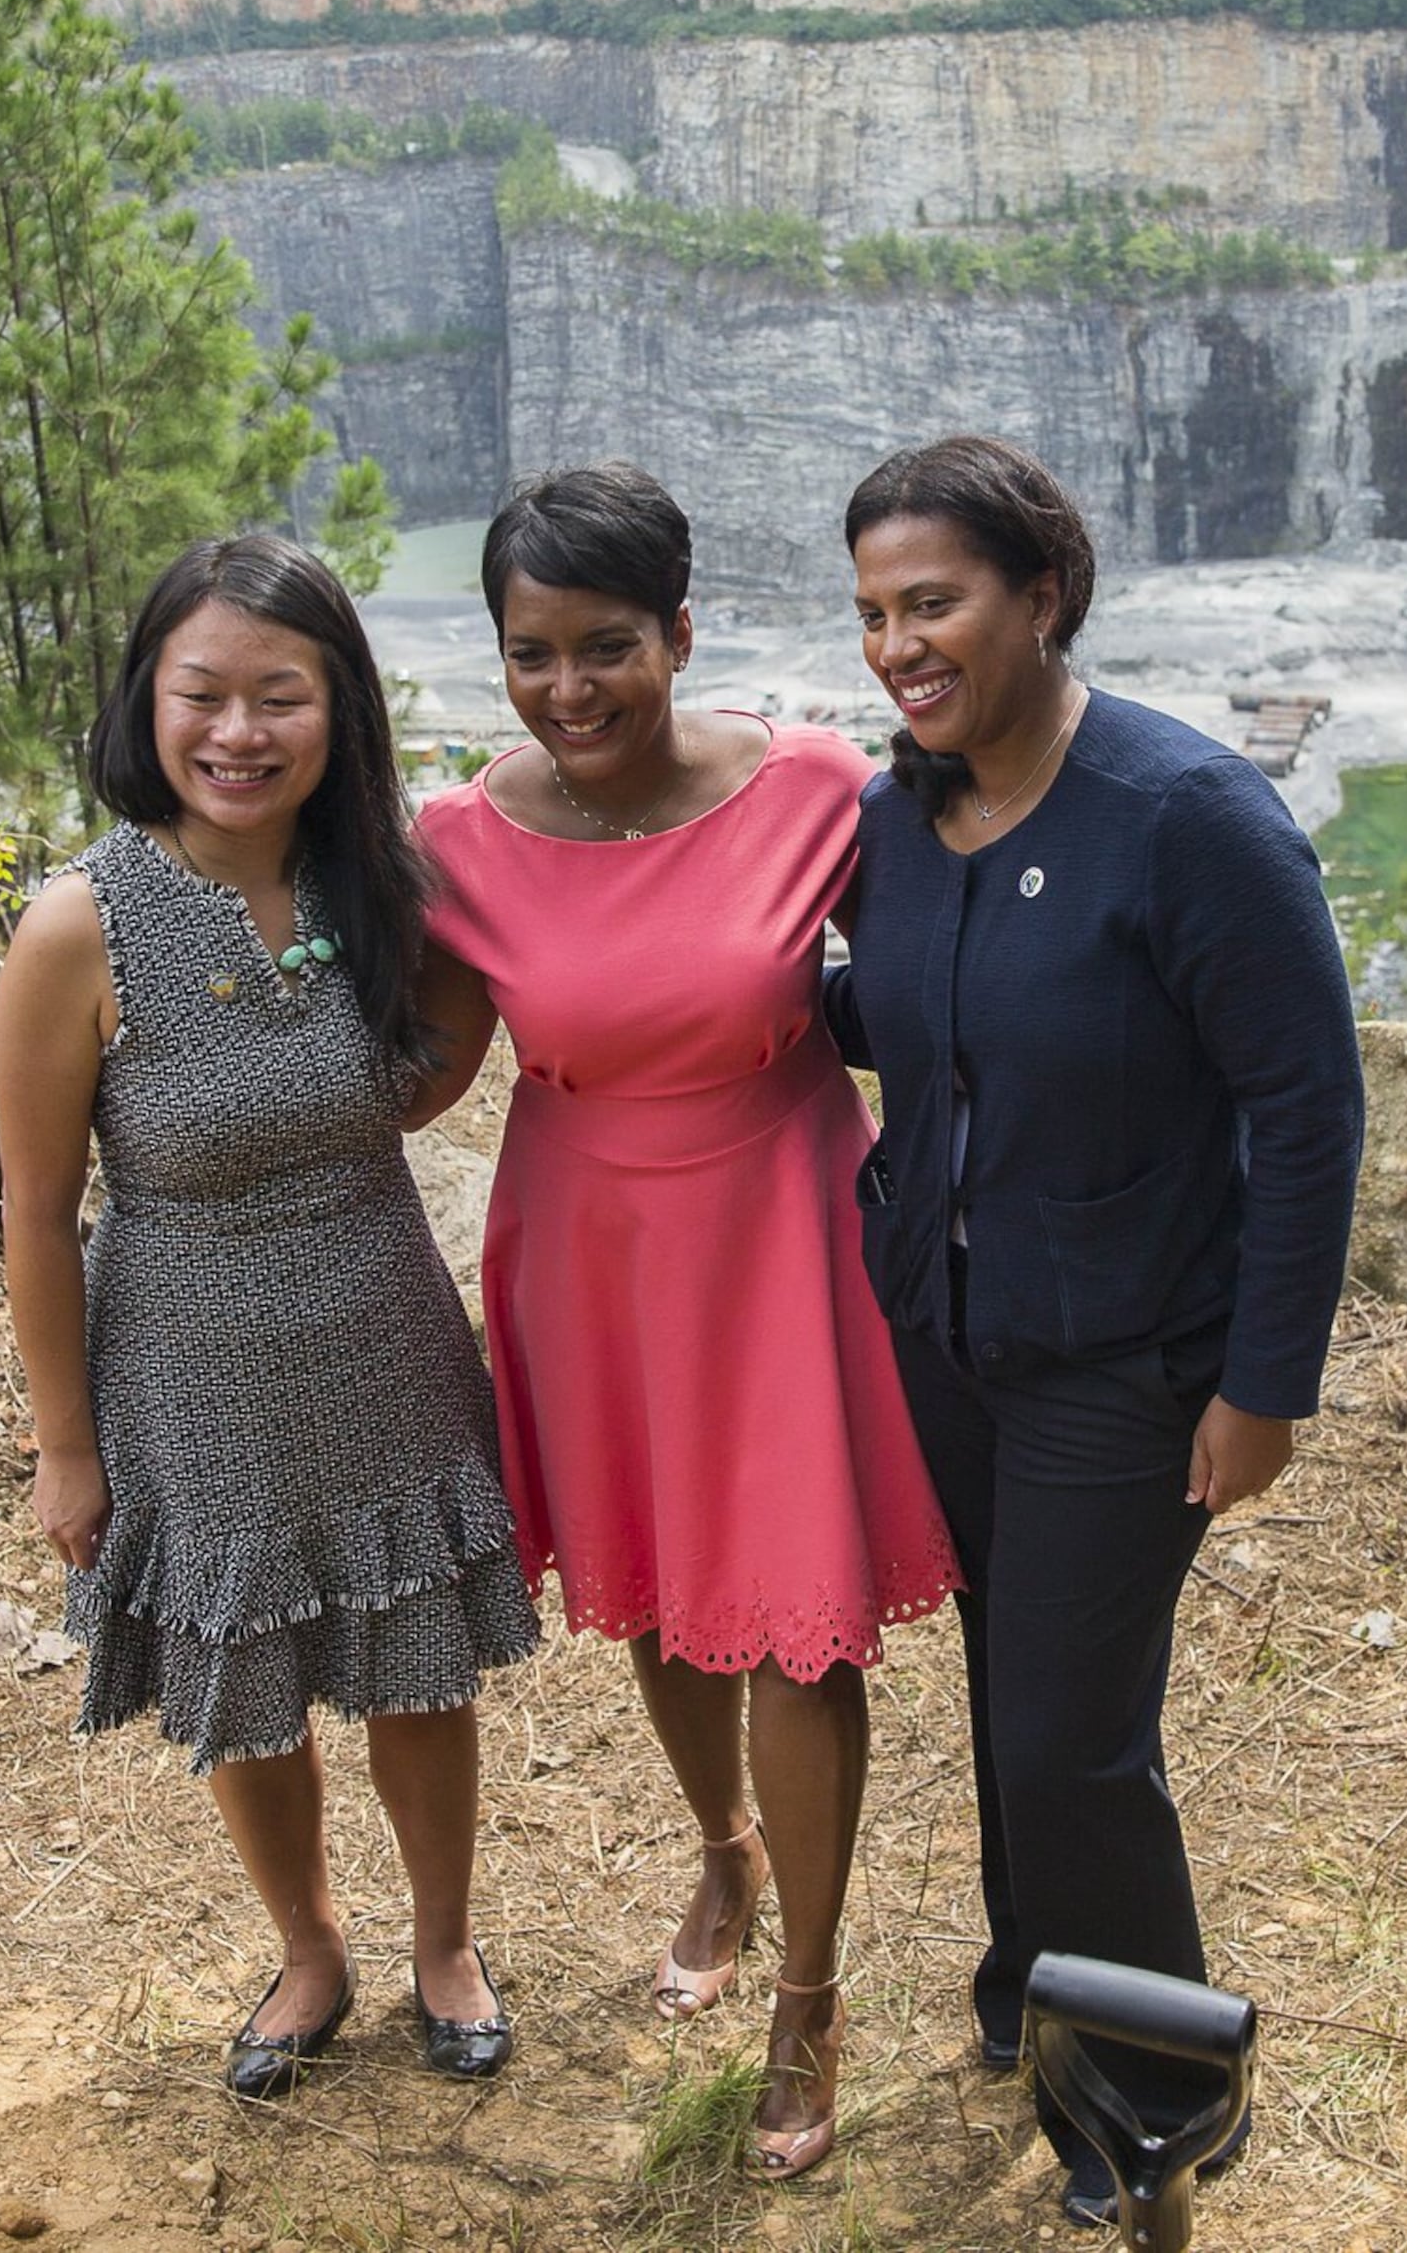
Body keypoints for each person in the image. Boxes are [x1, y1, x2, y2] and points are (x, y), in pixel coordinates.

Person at [828, 435, 1364, 2230]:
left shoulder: (1184, 816)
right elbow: (900, 1014)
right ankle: (1033, 1990)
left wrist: (1263, 1385)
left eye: (936, 602)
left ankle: (1162, 2087)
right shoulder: (899, 817)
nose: (901, 643)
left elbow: (1305, 1109)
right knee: (1010, 1686)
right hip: (953, 1334)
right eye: (876, 612)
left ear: (1041, 595)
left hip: (1132, 1362)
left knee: (1074, 1734)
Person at [409, 465, 959, 2178]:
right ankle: (720, 1844)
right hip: (587, 1251)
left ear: (680, 633)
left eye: (607, 648)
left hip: (781, 1232)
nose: (568, 691)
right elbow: (427, 1068)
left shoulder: (813, 790)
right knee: (661, 1590)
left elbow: (943, 987)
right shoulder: (457, 840)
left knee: (797, 1622)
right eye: (530, 653)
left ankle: (809, 1984)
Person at [0, 535, 538, 2100]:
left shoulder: (378, 877)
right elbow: (33, 1216)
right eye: (204, 695)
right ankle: (309, 1947)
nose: (239, 733)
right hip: (185, 1354)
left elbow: (447, 1045)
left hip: (382, 1327)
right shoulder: (79, 924)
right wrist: (64, 1450)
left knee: (415, 1666)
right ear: (148, 704)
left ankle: (445, 1940)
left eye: (279, 697)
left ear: (337, 708)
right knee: (245, 1674)